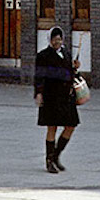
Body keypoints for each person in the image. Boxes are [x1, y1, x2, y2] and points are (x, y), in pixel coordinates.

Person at [34, 26, 81, 174]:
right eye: (54, 39)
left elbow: (70, 73)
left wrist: (75, 69)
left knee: (71, 125)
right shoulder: (43, 56)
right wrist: (39, 93)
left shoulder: (66, 53)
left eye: (59, 39)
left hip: (66, 96)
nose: (57, 42)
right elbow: (39, 76)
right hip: (51, 95)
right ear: (50, 40)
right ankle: (49, 161)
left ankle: (56, 155)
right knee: (52, 127)